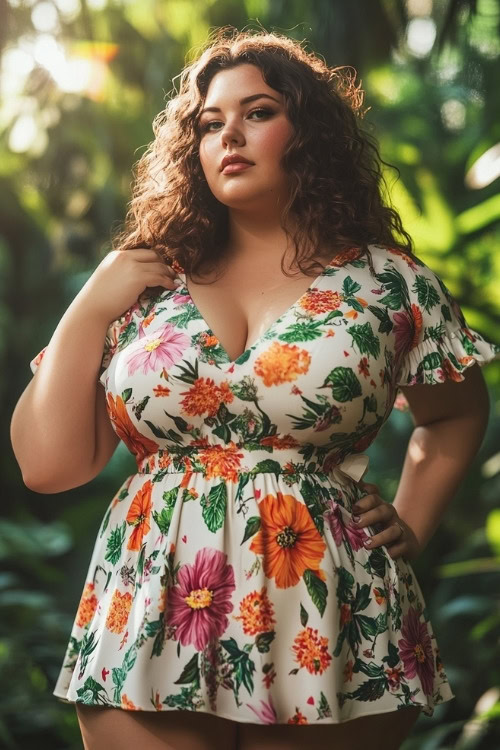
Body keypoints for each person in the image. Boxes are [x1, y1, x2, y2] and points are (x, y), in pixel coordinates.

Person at [10, 26, 500, 750]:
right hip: (152, 601)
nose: (229, 135)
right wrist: (92, 300)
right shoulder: (146, 285)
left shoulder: (387, 282)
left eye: (259, 112)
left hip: (333, 607)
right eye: (210, 123)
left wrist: (411, 526)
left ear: (310, 133)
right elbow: (49, 466)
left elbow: (457, 411)